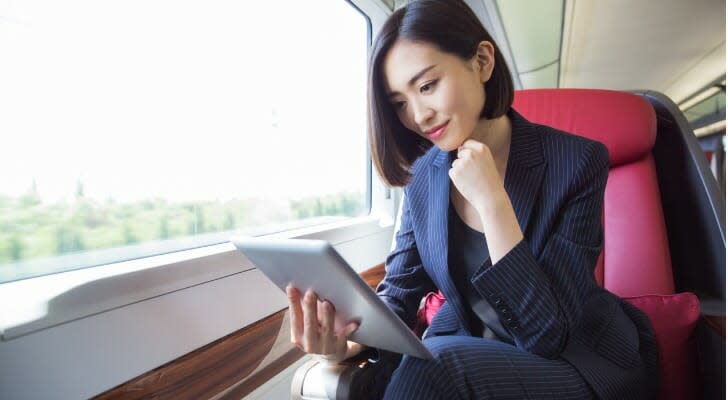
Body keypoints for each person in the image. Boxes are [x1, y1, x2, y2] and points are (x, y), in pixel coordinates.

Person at [287, 0, 658, 398]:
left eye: (427, 86)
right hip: (479, 346)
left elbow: (547, 334)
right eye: (399, 103)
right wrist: (344, 344)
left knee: (439, 363)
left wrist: (493, 203)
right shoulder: (424, 179)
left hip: (574, 361)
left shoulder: (578, 162)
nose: (418, 116)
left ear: (482, 62)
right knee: (415, 361)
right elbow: (399, 292)